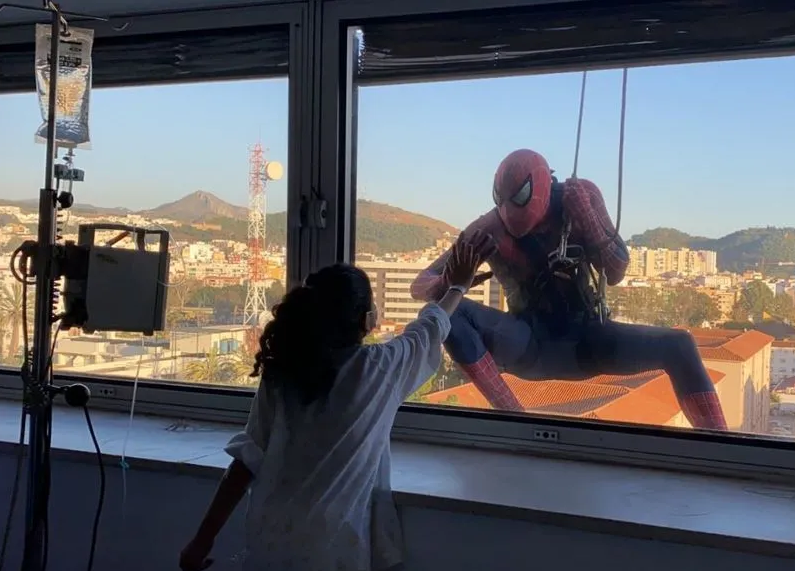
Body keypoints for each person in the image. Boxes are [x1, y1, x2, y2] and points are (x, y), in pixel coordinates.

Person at [179, 232, 494, 571]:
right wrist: (457, 287)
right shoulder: (378, 370)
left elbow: (244, 464)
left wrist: (202, 540)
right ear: (365, 321)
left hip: (269, 543)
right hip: (332, 550)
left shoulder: (283, 372)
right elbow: (428, 328)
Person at [410, 148, 728, 431]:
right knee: (444, 314)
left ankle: (720, 446)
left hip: (584, 340)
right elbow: (419, 286)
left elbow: (615, 271)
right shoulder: (489, 230)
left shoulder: (579, 199)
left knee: (680, 346)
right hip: (532, 343)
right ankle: (514, 418)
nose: (513, 218)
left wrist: (588, 222)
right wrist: (451, 281)